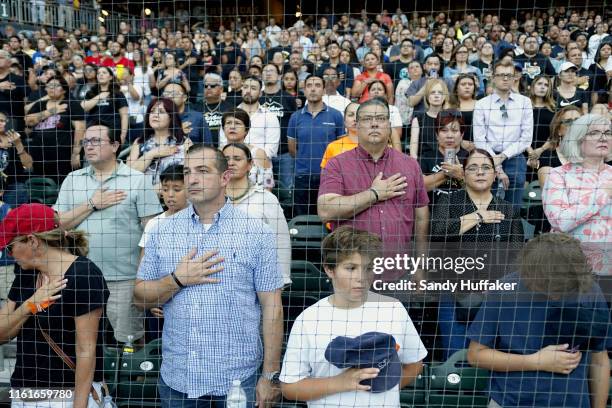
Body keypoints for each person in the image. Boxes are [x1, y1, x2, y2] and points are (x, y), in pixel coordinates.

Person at [134, 144, 283, 408]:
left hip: (238, 381)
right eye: (187, 171)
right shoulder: (162, 230)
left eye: (203, 171)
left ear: (225, 177)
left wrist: (269, 376)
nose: (191, 178)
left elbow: (272, 307)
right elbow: (140, 298)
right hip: (178, 381)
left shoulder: (256, 232)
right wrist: (176, 280)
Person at [280, 226, 427, 406]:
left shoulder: (393, 309)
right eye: (351, 268)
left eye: (368, 268)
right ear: (329, 269)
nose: (361, 277)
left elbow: (414, 364)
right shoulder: (308, 320)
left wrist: (382, 390)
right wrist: (341, 383)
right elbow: (289, 387)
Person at [467, 232, 610, 408]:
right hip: (510, 402)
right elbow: (476, 355)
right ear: (529, 276)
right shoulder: (504, 290)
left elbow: (599, 360)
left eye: (564, 288)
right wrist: (536, 362)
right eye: (549, 288)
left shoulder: (590, 291)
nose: (556, 296)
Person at [54, 121, 162, 345]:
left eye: (96, 141)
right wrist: (92, 203)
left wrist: (146, 279)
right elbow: (58, 225)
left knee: (129, 343)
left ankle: (128, 380)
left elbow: (152, 233)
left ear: (115, 145)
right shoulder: (72, 180)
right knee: (82, 343)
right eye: (86, 142)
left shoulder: (137, 180)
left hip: (124, 279)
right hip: (79, 279)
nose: (89, 146)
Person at [0, 203, 110, 408]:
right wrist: (30, 306)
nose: (9, 253)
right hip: (23, 396)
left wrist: (79, 405)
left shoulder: (84, 274)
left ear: (32, 241)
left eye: (10, 246)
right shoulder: (26, 273)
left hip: (65, 397)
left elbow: (86, 350)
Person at [318, 98, 429, 268]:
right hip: (353, 275)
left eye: (381, 119)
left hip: (398, 271)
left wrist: (420, 266)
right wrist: (374, 194)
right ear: (357, 125)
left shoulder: (410, 165)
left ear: (389, 125)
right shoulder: (337, 164)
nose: (374, 124)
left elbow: (421, 218)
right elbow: (326, 210)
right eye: (367, 119)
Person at [542, 114, 611, 276]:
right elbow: (561, 222)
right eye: (594, 133)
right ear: (578, 139)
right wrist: (605, 193)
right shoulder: (558, 175)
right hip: (572, 270)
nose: (603, 138)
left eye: (608, 132)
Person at [222, 142, 291, 286]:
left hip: (259, 279)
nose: (231, 163)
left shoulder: (266, 198)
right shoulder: (210, 198)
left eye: (237, 159)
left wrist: (282, 278)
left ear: (250, 164)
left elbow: (281, 240)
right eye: (226, 159)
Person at [137, 164, 188, 341]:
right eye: (165, 189)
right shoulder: (154, 224)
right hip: (158, 304)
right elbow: (143, 269)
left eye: (177, 189)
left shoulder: (199, 221)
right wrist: (151, 300)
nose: (170, 195)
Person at [473, 59, 534, 207]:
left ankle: (511, 229)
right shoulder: (482, 104)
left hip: (515, 158)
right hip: (488, 157)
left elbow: (526, 138)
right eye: (500, 75)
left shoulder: (524, 102)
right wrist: (496, 165)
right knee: (488, 205)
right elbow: (479, 139)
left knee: (513, 208)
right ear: (493, 77)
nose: (505, 78)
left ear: (515, 78)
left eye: (509, 75)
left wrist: (503, 156)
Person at [288, 75, 344, 216]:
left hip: (329, 176)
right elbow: (292, 149)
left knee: (328, 219)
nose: (313, 89)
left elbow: (340, 148)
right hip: (302, 176)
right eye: (309, 86)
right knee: (302, 218)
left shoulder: (336, 115)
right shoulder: (295, 117)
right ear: (304, 90)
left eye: (318, 85)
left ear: (324, 90)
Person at [25, 75, 85, 182]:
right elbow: (28, 121)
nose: (51, 88)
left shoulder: (72, 104)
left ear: (64, 90)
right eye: (49, 86)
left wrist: (76, 153)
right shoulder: (40, 104)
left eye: (56, 85)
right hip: (39, 154)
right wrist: (52, 111)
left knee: (64, 185)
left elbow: (80, 129)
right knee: (41, 187)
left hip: (62, 155)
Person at [127, 98, 190, 187]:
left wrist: (155, 191)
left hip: (173, 197)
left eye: (161, 111)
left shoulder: (185, 142)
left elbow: (189, 175)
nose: (155, 115)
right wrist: (152, 154)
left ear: (171, 117)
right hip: (142, 198)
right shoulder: (139, 142)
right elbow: (129, 175)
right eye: (152, 111)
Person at [219, 76, 281, 160]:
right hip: (231, 164)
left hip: (260, 166)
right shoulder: (229, 115)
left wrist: (249, 160)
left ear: (260, 93)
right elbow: (223, 143)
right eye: (245, 87)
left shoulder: (270, 117)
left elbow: (271, 150)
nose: (248, 91)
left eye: (253, 88)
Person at [259, 64, 298, 192]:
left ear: (279, 76)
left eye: (271, 71)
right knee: (263, 190)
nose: (268, 73)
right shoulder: (257, 99)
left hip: (285, 153)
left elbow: (295, 124)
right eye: (265, 71)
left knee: (287, 190)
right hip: (262, 154)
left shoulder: (288, 98)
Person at [419, 110, 468, 208]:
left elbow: (479, 191)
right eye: (444, 130)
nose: (449, 135)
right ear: (437, 134)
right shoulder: (426, 157)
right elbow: (420, 187)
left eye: (454, 131)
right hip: (433, 213)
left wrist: (461, 176)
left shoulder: (470, 157)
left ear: (462, 134)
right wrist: (447, 172)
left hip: (465, 214)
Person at [220, 108, 274, 189]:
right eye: (228, 123)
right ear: (223, 129)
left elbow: (268, 184)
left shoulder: (258, 153)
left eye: (237, 123)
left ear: (246, 130)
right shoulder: (216, 153)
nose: (232, 127)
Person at [81, 66, 129, 144]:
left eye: (104, 72)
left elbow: (124, 116)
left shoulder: (117, 93)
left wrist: (123, 135)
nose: (101, 75)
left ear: (110, 77)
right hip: (93, 130)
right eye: (99, 73)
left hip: (111, 131)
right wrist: (100, 96)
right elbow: (83, 107)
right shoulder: (91, 92)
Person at [409, 79, 449, 159]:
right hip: (423, 163)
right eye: (433, 92)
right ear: (427, 96)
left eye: (440, 93)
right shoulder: (418, 120)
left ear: (444, 96)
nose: (436, 95)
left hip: (446, 162)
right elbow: (413, 152)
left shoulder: (451, 118)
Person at [0, 112, 32, 206]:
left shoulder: (17, 139)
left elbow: (28, 166)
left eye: (3, 121)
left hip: (13, 186)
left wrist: (18, 144)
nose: (1, 124)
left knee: (19, 189)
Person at [526, 75, 557, 172]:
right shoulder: (523, 106)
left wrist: (540, 150)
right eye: (539, 84)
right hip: (524, 150)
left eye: (546, 85)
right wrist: (531, 153)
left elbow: (554, 135)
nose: (543, 87)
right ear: (533, 86)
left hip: (547, 151)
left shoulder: (553, 109)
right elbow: (518, 133)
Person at [366, 81, 402, 151]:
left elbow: (398, 133)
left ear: (385, 94)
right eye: (373, 89)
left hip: (389, 145)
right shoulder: (363, 109)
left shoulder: (393, 109)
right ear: (369, 93)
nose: (376, 92)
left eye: (379, 89)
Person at [321, 103, 359, 168]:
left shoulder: (373, 146)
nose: (355, 119)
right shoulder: (333, 147)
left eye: (359, 115)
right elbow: (325, 175)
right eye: (351, 115)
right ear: (344, 121)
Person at [201, 73, 234, 147]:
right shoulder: (196, 108)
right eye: (205, 86)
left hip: (225, 147)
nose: (208, 88)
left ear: (221, 89)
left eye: (212, 86)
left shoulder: (230, 108)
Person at [449, 73, 478, 148]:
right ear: (456, 88)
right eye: (463, 84)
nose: (467, 87)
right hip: (454, 146)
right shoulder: (448, 106)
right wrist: (460, 142)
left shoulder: (480, 104)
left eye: (470, 84)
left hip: (478, 147)